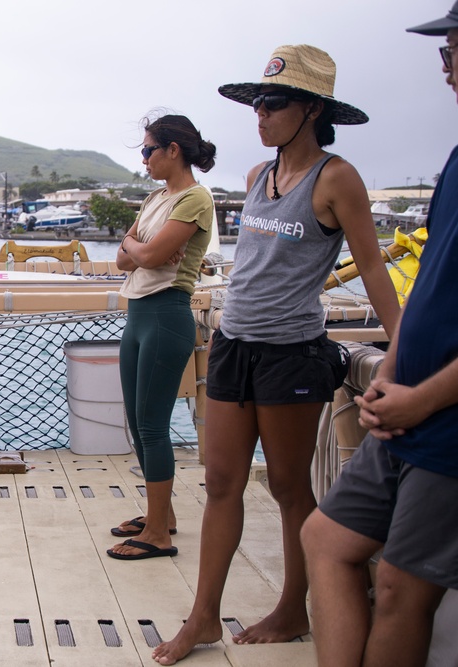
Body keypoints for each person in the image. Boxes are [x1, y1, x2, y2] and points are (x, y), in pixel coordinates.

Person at [152, 45, 401, 665]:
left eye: (273, 103)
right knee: (221, 484)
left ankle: (294, 607)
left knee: (291, 487)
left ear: (311, 109)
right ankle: (203, 617)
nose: (259, 115)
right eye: (256, 103)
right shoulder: (258, 177)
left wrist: (400, 343)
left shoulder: (336, 177)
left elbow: (370, 263)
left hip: (292, 351)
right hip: (235, 341)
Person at [301, 8, 458, 666]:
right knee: (325, 538)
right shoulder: (455, 161)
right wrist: (392, 367)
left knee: (398, 583)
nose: (445, 61)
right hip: (405, 409)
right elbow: (427, 290)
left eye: (454, 47)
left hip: (444, 424)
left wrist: (420, 400)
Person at [107, 114, 216, 561]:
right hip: (138, 314)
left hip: (168, 314)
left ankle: (157, 535)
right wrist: (140, 250)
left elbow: (147, 253)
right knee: (138, 422)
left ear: (174, 150)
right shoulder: (156, 198)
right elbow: (124, 259)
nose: (144, 158)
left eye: (149, 150)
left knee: (153, 426)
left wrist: (141, 250)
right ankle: (161, 515)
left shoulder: (194, 199)